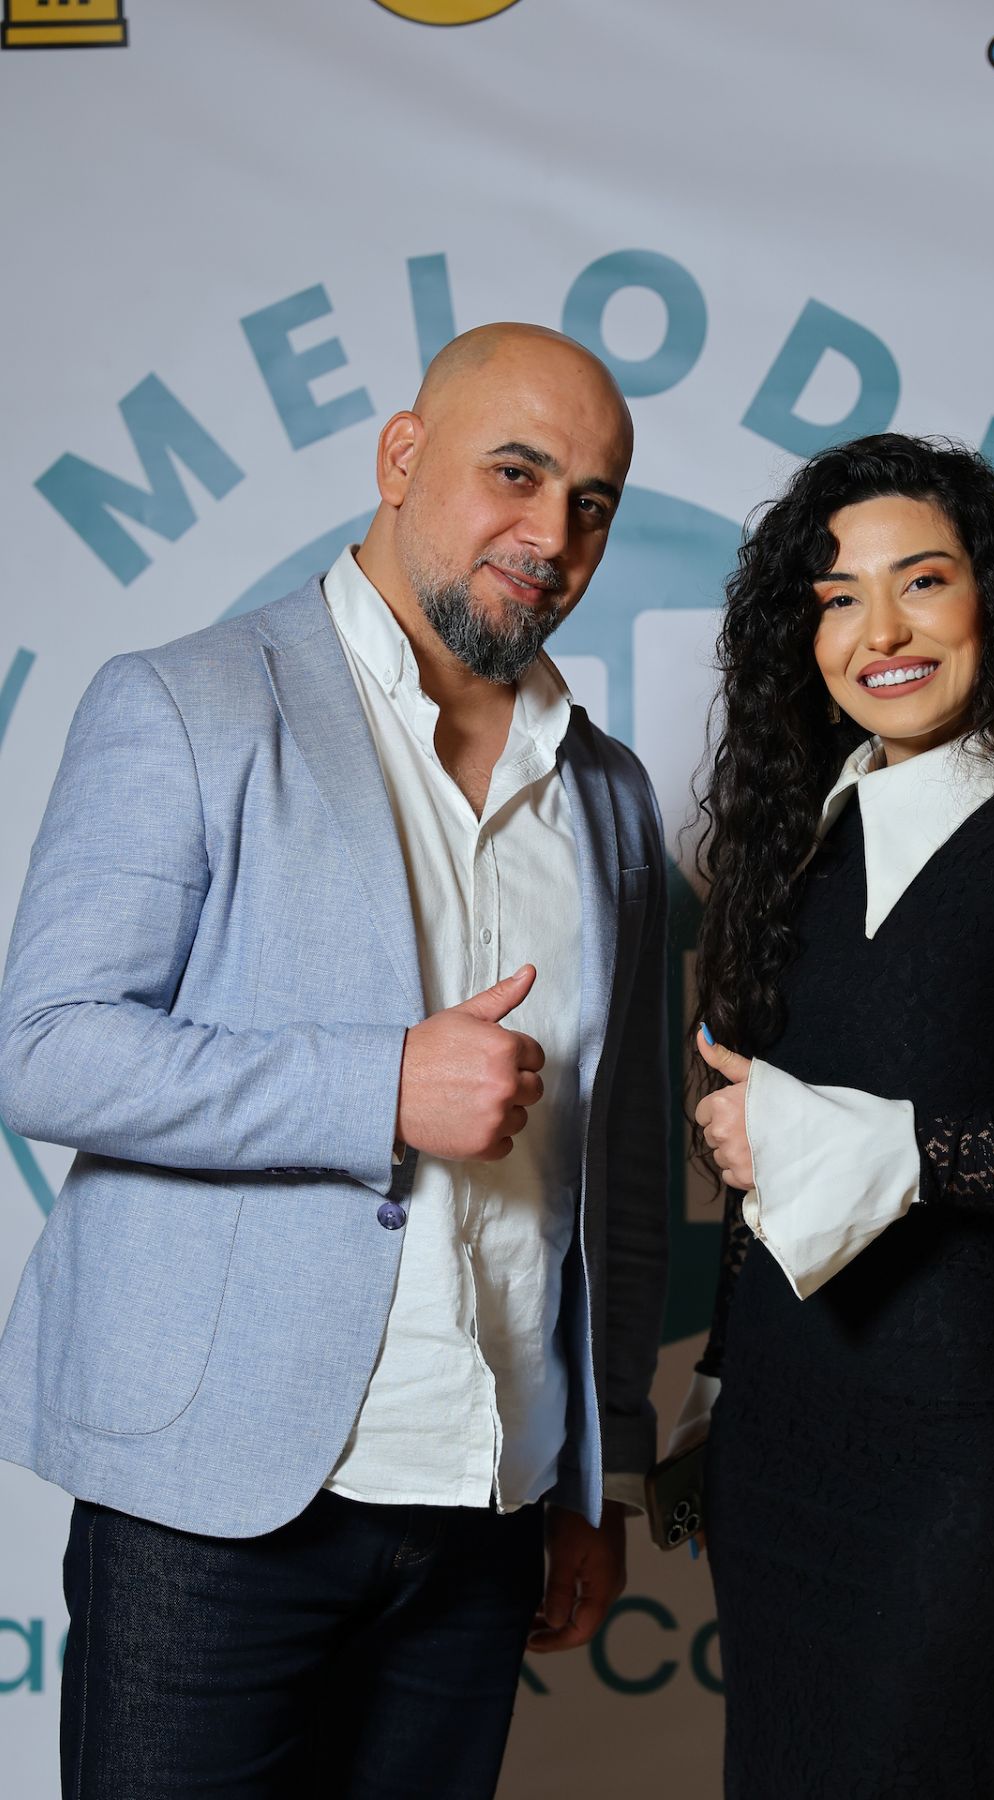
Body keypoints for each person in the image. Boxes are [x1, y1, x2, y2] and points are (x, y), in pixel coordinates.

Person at [0, 323, 670, 1799]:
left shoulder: (611, 795)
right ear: (401, 457)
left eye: (592, 503)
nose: (551, 536)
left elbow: (619, 1173)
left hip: (490, 1501)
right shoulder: (186, 701)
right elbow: (45, 1049)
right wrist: (378, 1087)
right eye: (515, 473)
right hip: (213, 1501)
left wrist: (598, 1479)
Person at [679, 433, 994, 1798]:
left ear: (988, 604)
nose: (880, 632)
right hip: (773, 1443)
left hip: (954, 1459)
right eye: (840, 597)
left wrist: (847, 1139)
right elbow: (760, 1172)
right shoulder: (797, 847)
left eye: (923, 582)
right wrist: (717, 1380)